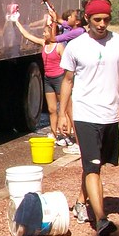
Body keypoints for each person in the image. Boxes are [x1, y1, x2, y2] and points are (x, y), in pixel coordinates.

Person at [57, 0, 119, 236]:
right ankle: (101, 219)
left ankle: (80, 203)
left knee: (97, 163)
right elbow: (68, 81)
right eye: (97, 20)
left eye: (106, 19)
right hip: (84, 114)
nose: (102, 24)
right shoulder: (76, 46)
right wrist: (63, 114)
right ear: (87, 20)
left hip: (110, 113)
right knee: (92, 166)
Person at [13, 15, 72, 147]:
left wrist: (69, 79)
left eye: (45, 32)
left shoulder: (59, 46)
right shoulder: (43, 44)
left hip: (59, 79)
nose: (43, 34)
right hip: (47, 79)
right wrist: (17, 23)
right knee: (52, 109)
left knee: (64, 109)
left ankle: (66, 134)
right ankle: (54, 133)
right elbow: (27, 36)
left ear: (51, 33)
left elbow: (68, 64)